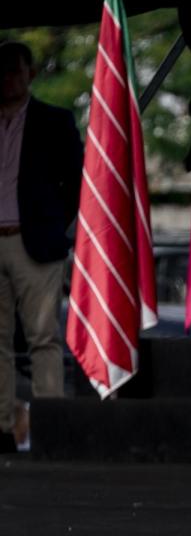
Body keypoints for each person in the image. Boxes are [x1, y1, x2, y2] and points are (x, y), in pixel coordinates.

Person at [0, 41, 83, 452]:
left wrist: (55, 227)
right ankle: (2, 429)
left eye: (14, 70)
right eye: (2, 71)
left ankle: (52, 425)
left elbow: (78, 183)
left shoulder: (54, 121)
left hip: (35, 244)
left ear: (30, 74)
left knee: (42, 338)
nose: (7, 78)